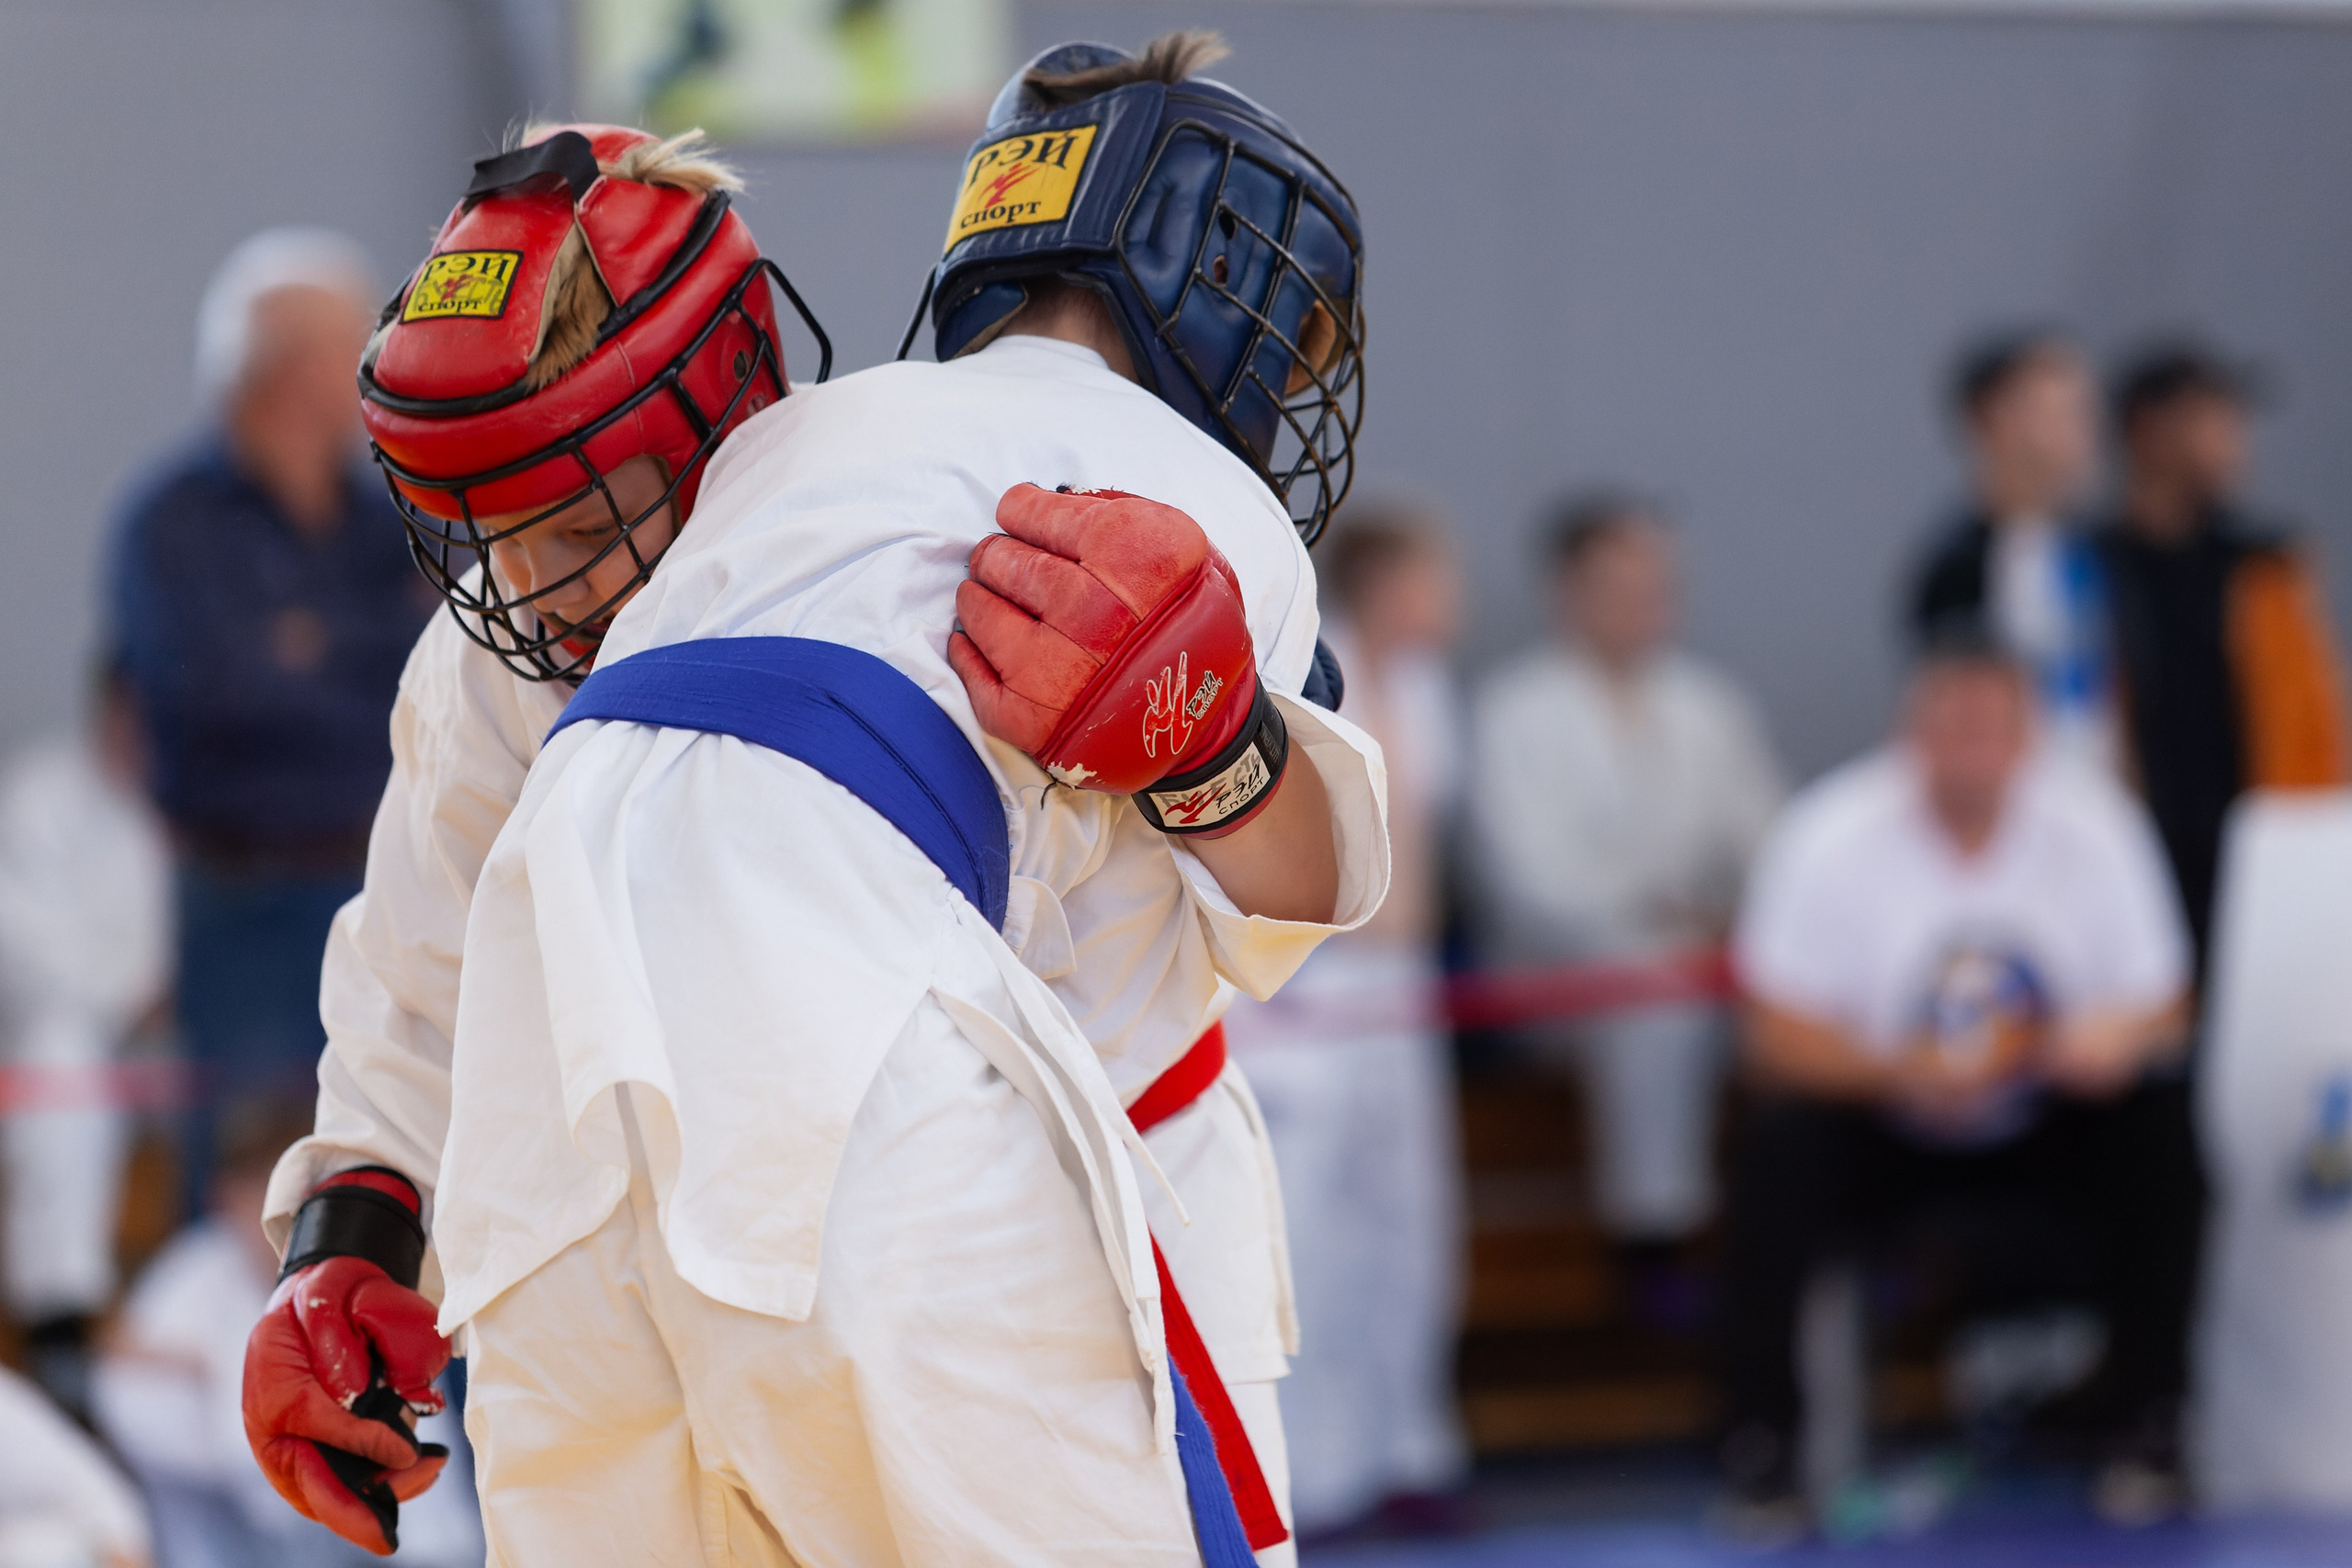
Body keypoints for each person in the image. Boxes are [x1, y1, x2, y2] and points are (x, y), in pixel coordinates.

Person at [247, 36, 1383, 1562]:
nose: (526, 580)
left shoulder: (818, 491)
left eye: (572, 513)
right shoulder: (1129, 493)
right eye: (492, 528)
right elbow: (425, 953)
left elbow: (450, 961)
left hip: (576, 1183)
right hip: (917, 1137)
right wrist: (354, 1230)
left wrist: (1212, 734)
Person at [1717, 630, 2196, 1531]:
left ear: (2026, 736)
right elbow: (1771, 1035)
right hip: (1886, 1118)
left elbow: (2165, 1003)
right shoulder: (1827, 833)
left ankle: (2150, 1423)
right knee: (1777, 1151)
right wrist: (1899, 1068)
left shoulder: (2095, 826)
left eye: (1991, 724)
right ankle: (1761, 1449)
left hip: (2045, 1115)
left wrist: (2101, 1034)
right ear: (1912, 729)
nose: (1971, 745)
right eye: (1951, 722)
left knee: (2162, 1130)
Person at [107, 229, 435, 1200]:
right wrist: (354, 668)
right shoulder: (171, 524)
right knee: (242, 1180)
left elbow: (438, 684)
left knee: (391, 1158)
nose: (378, 372)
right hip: (241, 900)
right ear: (291, 367)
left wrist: (308, 651)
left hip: (379, 890)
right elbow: (215, 702)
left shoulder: (386, 522)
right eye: (357, 350)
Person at [1224, 504, 1467, 1532]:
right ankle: (1310, 1472)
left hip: (1402, 986)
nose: (1450, 600)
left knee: (1409, 1221)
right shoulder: (1305, 672)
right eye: (1431, 577)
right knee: (1309, 1228)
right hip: (1311, 988)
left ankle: (1411, 1448)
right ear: (1380, 582)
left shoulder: (1428, 690)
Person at [1467, 496, 1781, 1275]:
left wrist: (1732, 917)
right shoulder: (1514, 711)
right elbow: (1529, 882)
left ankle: (1810, 1227)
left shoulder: (1708, 703)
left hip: (1703, 953)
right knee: (1654, 995)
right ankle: (1654, 1240)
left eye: (1658, 583)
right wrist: (1660, 916)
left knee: (1795, 1000)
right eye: (1621, 583)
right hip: (1559, 972)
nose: (1646, 602)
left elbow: (1771, 843)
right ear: (1568, 590)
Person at [95, 1102, 481, 1568]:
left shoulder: (364, 1274)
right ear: (223, 1196)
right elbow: (119, 1369)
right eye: (255, 1188)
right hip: (224, 1521)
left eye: (298, 1196)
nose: (276, 1214)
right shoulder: (195, 1273)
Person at [2095, 341, 2350, 979]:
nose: (2235, 441)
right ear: (2149, 432)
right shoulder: (2087, 569)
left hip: (2254, 874)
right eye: (2212, 419)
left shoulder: (2266, 568)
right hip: (2131, 868)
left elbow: (2313, 735)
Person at [0, 667, 172, 1417]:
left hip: (161, 1050)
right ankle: (60, 1319)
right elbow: (24, 942)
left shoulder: (170, 809)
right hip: (56, 1039)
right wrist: (124, 992)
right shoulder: (39, 799)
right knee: (64, 1069)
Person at [1907, 332, 2111, 765]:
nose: (2080, 433)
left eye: (2083, 413)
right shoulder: (1954, 567)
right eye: (2056, 412)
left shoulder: (2110, 553)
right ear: (1990, 419)